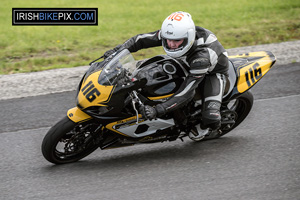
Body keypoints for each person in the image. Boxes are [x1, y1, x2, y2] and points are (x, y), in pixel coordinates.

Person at [104, 11, 229, 140]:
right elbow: (140, 40)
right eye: (168, 40)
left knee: (211, 118)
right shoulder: (175, 34)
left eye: (176, 41)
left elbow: (186, 92)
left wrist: (158, 110)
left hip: (212, 73)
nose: (171, 44)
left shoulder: (201, 58)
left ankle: (207, 129)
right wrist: (117, 51)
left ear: (189, 37)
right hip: (184, 62)